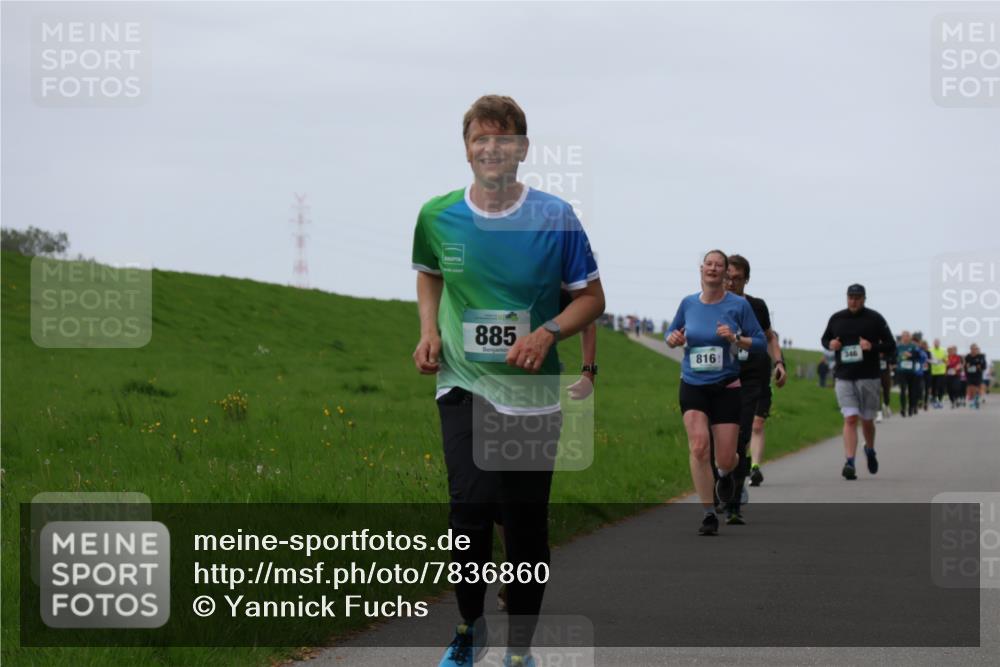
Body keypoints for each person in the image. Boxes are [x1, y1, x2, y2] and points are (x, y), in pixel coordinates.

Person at [412, 95, 604, 667]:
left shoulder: (556, 217)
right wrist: (429, 331)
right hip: (463, 383)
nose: (490, 148)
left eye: (503, 138)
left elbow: (591, 298)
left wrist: (546, 333)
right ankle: (470, 627)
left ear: (522, 148)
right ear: (466, 148)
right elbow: (429, 274)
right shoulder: (436, 214)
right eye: (479, 138)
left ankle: (520, 648)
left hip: (532, 393)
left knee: (523, 526)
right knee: (468, 510)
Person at [665, 250, 766, 535]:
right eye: (708, 264)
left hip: (726, 387)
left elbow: (758, 342)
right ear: (701, 269)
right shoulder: (687, 303)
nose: (713, 269)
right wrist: (673, 339)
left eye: (718, 265)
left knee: (725, 457)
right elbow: (671, 334)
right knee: (698, 446)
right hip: (693, 385)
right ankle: (708, 513)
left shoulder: (738, 306)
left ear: (725, 274)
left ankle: (726, 474)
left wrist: (735, 338)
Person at [723, 255, 786, 522]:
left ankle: (734, 497)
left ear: (746, 279)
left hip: (752, 379)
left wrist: (779, 362)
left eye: (737, 278)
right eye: (728, 277)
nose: (732, 282)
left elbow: (770, 336)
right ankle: (724, 484)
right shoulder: (713, 304)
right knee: (721, 440)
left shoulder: (757, 306)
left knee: (742, 437)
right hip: (722, 379)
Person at [820, 284, 896, 480]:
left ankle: (870, 450)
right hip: (844, 376)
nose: (853, 301)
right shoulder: (837, 318)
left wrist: (872, 346)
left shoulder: (875, 318)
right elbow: (825, 338)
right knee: (850, 418)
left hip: (869, 376)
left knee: (867, 420)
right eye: (850, 297)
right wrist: (831, 344)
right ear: (846, 298)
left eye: (857, 297)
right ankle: (850, 462)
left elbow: (891, 346)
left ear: (864, 299)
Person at [895, 331, 921, 417]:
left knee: (911, 390)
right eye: (904, 336)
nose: (905, 338)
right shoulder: (898, 346)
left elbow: (918, 356)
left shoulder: (913, 346)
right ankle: (903, 408)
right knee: (902, 390)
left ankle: (911, 407)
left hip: (911, 371)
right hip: (901, 371)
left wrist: (910, 355)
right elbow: (894, 355)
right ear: (902, 337)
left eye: (907, 336)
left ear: (909, 337)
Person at [964, 344, 987, 409]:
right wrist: (967, 366)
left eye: (975, 349)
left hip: (978, 374)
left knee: (978, 386)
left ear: (977, 349)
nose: (974, 350)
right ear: (970, 349)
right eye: (972, 349)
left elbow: (983, 365)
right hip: (970, 374)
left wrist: (979, 367)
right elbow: (966, 365)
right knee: (971, 387)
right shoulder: (968, 356)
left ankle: (979, 397)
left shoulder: (981, 356)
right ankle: (972, 399)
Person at [929, 338, 948, 409]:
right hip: (933, 371)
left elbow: (946, 361)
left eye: (937, 342)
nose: (936, 344)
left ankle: (940, 400)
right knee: (934, 387)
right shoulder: (930, 350)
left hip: (941, 371)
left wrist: (943, 360)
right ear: (933, 343)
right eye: (935, 342)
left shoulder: (943, 350)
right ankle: (934, 400)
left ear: (939, 343)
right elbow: (928, 360)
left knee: (940, 387)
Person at [876, 351, 894, 422]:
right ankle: (879, 413)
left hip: (886, 375)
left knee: (886, 392)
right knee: (877, 394)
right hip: (876, 376)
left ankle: (886, 405)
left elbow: (892, 363)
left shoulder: (887, 356)